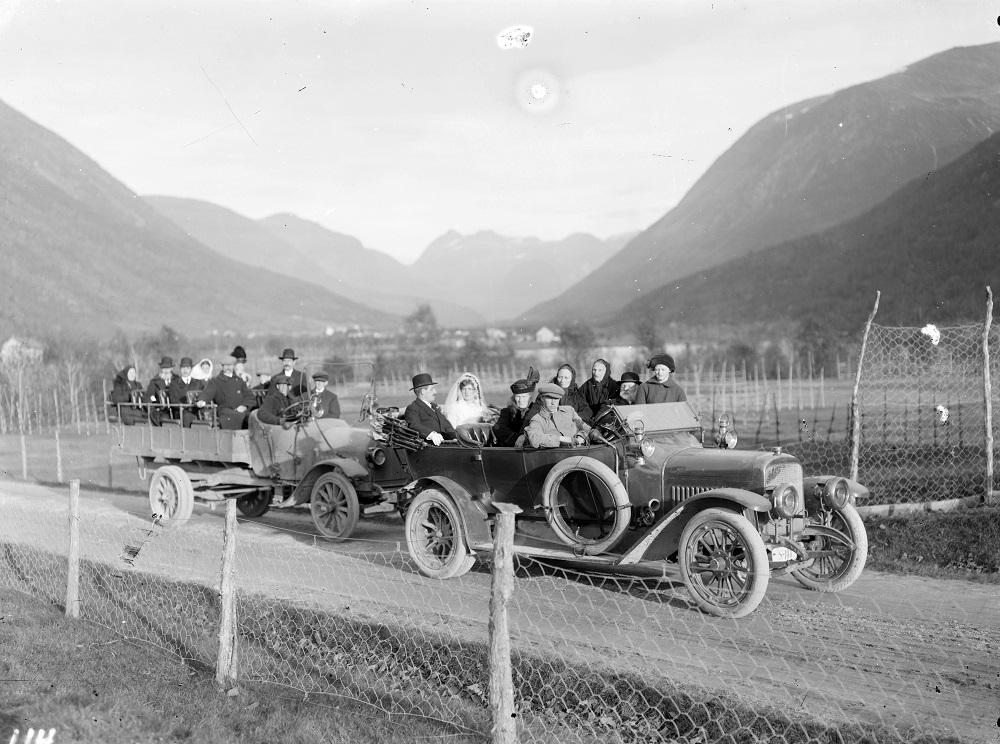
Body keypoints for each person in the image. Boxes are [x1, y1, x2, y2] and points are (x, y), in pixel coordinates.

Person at [196, 355, 256, 429]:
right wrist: (202, 400)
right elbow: (207, 393)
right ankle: (235, 438)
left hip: (242, 410)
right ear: (222, 367)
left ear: (233, 366)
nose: (227, 368)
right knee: (235, 416)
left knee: (254, 417)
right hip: (225, 410)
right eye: (225, 366)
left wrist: (244, 406)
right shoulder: (216, 381)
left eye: (230, 365)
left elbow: (249, 396)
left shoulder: (240, 381)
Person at [525, 383, 592, 448]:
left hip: (580, 454)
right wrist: (562, 439)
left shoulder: (569, 411)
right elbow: (535, 440)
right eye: (550, 398)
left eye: (556, 399)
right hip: (556, 456)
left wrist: (581, 436)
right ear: (542, 398)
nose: (553, 402)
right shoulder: (537, 420)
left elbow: (586, 428)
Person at [403, 373, 456, 446]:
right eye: (432, 389)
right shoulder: (413, 408)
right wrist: (431, 434)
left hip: (446, 443)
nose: (435, 392)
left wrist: (453, 436)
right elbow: (414, 425)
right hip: (429, 447)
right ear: (423, 392)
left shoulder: (434, 406)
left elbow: (445, 424)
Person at [492, 378, 534, 447]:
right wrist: (517, 439)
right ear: (514, 397)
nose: (521, 400)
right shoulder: (507, 411)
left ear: (529, 396)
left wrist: (525, 438)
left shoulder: (534, 410)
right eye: (518, 396)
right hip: (511, 449)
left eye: (524, 396)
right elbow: (498, 428)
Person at [167, 357, 204, 426]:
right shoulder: (174, 384)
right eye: (183, 368)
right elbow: (173, 400)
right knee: (188, 416)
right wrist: (185, 406)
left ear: (191, 369)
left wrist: (199, 403)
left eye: (187, 368)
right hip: (181, 411)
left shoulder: (198, 383)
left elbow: (203, 396)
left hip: (197, 410)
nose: (185, 370)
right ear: (180, 369)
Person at [144, 356, 175, 425]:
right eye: (164, 368)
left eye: (168, 368)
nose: (166, 371)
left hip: (175, 408)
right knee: (163, 419)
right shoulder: (155, 381)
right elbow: (149, 396)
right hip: (161, 409)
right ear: (161, 369)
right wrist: (156, 404)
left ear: (172, 368)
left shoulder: (177, 380)